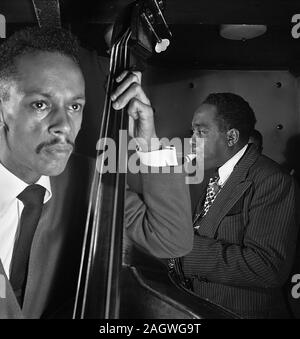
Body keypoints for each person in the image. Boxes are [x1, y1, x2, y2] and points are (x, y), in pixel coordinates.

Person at [0, 27, 193, 318]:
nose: (64, 126)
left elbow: (170, 240)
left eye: (74, 106)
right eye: (41, 104)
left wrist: (148, 140)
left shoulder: (88, 177)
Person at [178, 93, 298, 318]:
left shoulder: (273, 180)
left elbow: (267, 267)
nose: (192, 141)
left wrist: (182, 248)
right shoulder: (218, 176)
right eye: (192, 132)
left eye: (201, 132)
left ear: (231, 137)